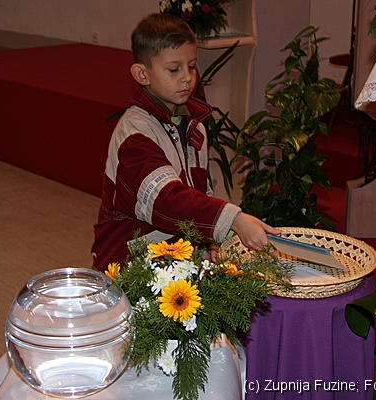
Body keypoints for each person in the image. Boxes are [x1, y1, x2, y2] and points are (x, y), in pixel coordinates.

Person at [92, 13, 279, 270]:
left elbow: (199, 192)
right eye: (174, 69)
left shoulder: (193, 124)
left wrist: (208, 240)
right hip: (130, 262)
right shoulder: (134, 135)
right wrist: (232, 220)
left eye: (191, 66)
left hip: (177, 254)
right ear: (142, 74)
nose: (187, 77)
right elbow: (166, 200)